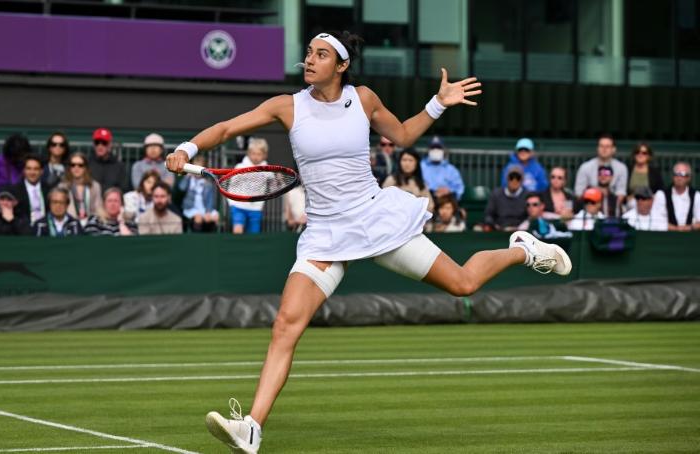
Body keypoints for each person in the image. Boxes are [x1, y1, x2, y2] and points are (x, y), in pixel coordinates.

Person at [165, 31, 570, 454]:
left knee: (464, 284)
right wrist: (187, 147)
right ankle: (252, 427)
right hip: (324, 235)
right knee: (286, 325)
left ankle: (523, 249)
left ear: (340, 65)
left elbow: (405, 136)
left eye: (321, 55)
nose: (310, 60)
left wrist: (438, 103)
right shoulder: (287, 106)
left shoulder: (363, 98)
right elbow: (229, 127)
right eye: (308, 54)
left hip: (376, 220)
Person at [227, 137, 268, 234]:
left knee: (254, 233)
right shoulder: (239, 167)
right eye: (253, 154)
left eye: (259, 154)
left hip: (256, 207)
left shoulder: (268, 170)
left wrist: (278, 177)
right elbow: (232, 184)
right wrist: (232, 201)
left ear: (264, 155)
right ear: (249, 153)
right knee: (237, 229)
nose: (256, 157)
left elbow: (275, 183)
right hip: (238, 205)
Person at [573, 134, 628, 202]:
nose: (604, 149)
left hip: (612, 206)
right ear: (597, 148)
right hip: (590, 204)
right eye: (601, 146)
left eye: (607, 146)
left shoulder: (621, 168)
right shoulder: (585, 167)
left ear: (613, 149)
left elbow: (621, 192)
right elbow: (578, 192)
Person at [382, 148, 434, 213]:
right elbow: (382, 202)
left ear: (416, 163)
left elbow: (430, 206)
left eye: (411, 160)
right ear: (399, 162)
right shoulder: (391, 180)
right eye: (404, 160)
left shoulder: (421, 184)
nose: (407, 163)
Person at [176, 154, 219, 233]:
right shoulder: (188, 179)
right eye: (195, 169)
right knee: (198, 217)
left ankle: (210, 238)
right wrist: (187, 176)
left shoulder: (208, 183)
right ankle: (197, 238)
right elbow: (181, 188)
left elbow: (210, 200)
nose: (197, 172)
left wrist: (208, 212)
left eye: (199, 169)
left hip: (204, 207)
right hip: (190, 208)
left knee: (215, 217)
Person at [57, 152, 103, 227]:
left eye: (80, 165)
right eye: (73, 165)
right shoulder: (62, 187)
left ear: (85, 168)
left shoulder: (95, 186)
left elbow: (98, 209)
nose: (76, 168)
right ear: (69, 168)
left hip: (90, 225)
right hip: (69, 225)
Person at [0, 133, 30, 206]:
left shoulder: (25, 163)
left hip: (21, 203)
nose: (20, 158)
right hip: (0, 203)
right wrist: (3, 200)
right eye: (17, 155)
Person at [483, 165, 527, 231]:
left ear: (522, 180)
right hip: (499, 230)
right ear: (507, 179)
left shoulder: (528, 195)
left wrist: (522, 227)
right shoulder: (496, 194)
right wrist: (494, 225)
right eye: (511, 177)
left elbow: (532, 216)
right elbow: (488, 214)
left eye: (518, 178)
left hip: (521, 231)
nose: (514, 181)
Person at [419, 135, 465, 201]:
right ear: (428, 150)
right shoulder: (420, 166)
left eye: (438, 148)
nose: (435, 150)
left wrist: (448, 191)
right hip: (425, 201)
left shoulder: (451, 169)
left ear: (444, 150)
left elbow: (459, 189)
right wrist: (433, 192)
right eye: (433, 148)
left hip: (445, 202)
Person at [12, 154, 49, 225]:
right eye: (28, 168)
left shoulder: (49, 189)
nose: (32, 173)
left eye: (36, 169)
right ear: (24, 171)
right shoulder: (15, 191)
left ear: (41, 171)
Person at [88, 128, 128, 193]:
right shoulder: (87, 164)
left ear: (110, 145)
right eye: (97, 142)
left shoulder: (119, 166)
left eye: (104, 143)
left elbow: (123, 188)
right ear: (94, 145)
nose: (100, 146)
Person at [665, 162, 700, 232]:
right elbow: (658, 221)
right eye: (676, 174)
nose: (679, 178)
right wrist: (676, 229)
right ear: (672, 176)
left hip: (690, 237)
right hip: (666, 237)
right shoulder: (662, 194)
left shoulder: (697, 195)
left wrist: (688, 228)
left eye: (683, 174)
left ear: (689, 177)